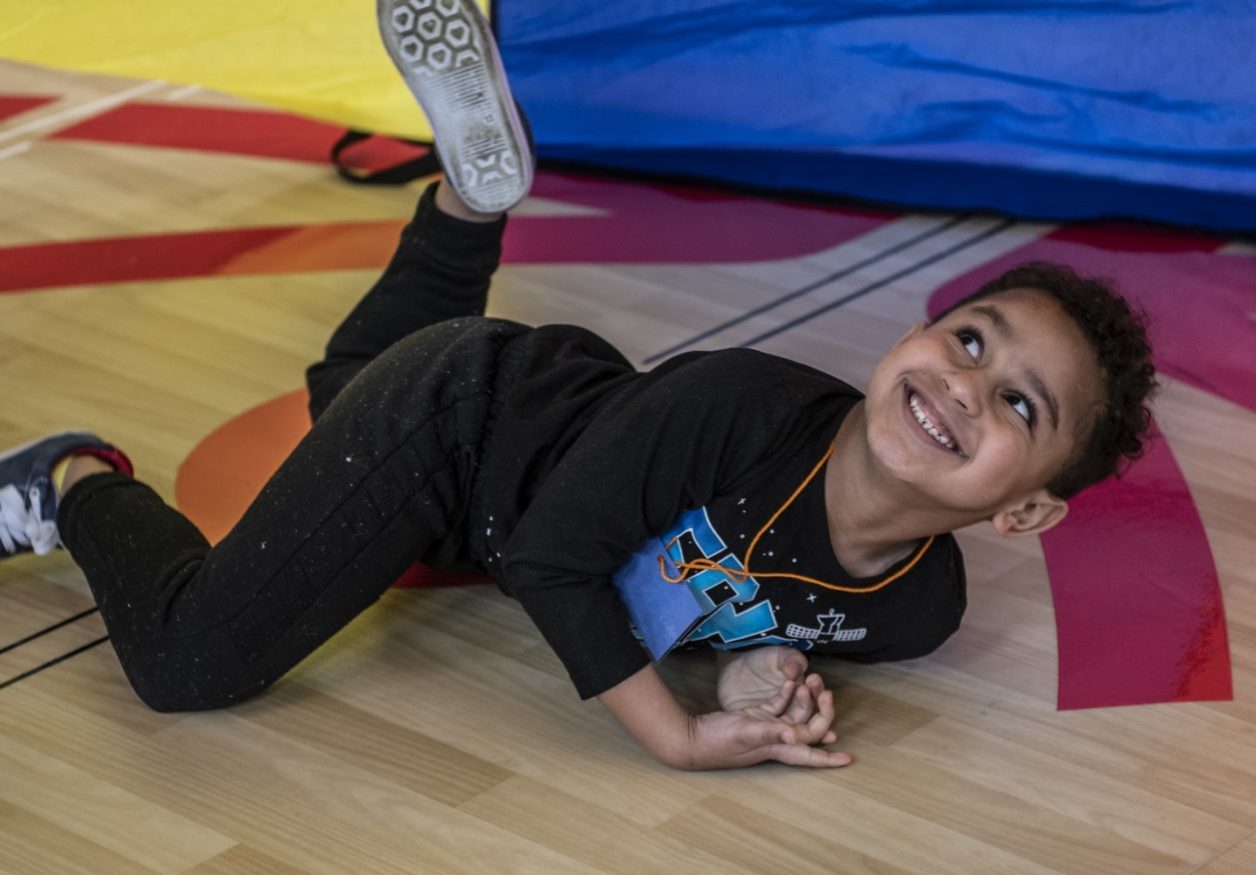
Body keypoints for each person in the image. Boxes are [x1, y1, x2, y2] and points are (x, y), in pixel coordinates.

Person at [0, 0, 1155, 770]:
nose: (966, 384)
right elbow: (559, 555)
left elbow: (734, 586)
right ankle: (74, 483)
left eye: (1017, 405)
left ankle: (467, 205)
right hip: (461, 427)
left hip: (535, 448)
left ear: (1027, 508)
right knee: (192, 661)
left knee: (339, 386)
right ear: (916, 334)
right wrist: (676, 731)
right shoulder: (742, 405)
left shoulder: (918, 609)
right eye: (970, 340)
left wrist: (764, 665)